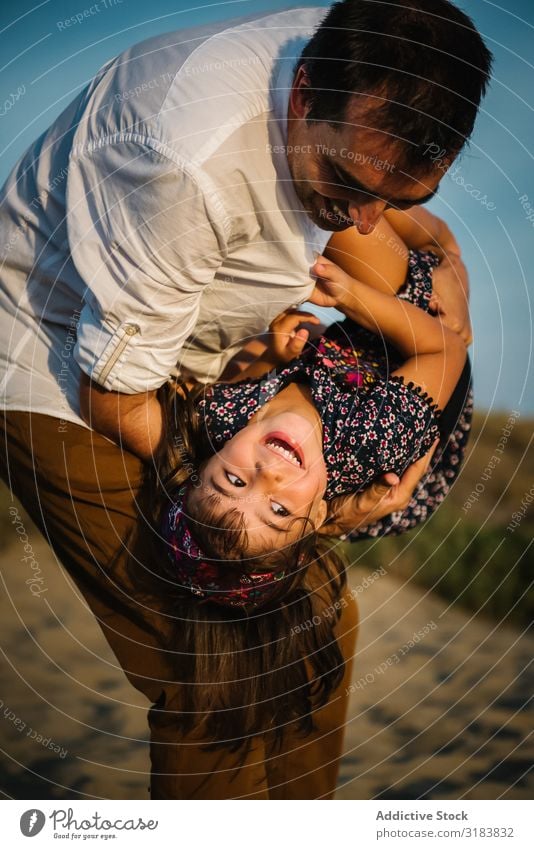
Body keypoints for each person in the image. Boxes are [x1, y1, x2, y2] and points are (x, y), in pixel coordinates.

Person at [0, 1, 491, 798]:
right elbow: (115, 392)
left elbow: (413, 284)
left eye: (399, 192)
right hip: (62, 356)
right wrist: (303, 508)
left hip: (200, 363)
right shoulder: (182, 161)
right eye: (350, 184)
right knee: (210, 672)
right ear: (303, 95)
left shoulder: (374, 47)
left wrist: (435, 271)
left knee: (319, 623)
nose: (366, 219)